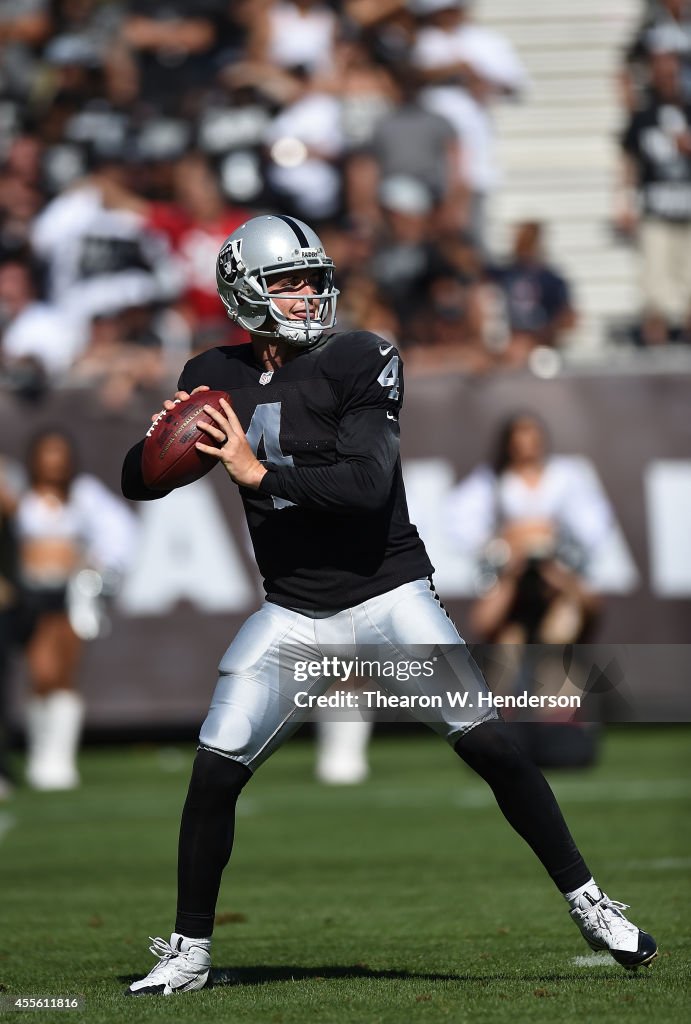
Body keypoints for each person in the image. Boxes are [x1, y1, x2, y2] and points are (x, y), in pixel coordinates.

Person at [121, 214, 656, 996]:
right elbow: (136, 482)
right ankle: (190, 953)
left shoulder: (361, 356)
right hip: (294, 612)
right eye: (289, 282)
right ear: (244, 290)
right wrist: (155, 449)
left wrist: (257, 473)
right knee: (214, 772)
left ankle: (590, 903)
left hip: (385, 593)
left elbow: (366, 486)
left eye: (313, 278)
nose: (309, 294)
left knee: (491, 748)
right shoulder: (213, 372)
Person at [16, 428, 138, 790]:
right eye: (46, 453)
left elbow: (121, 530)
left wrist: (96, 568)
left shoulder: (83, 495)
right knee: (42, 673)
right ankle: (40, 753)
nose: (54, 460)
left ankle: (60, 761)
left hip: (70, 593)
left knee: (66, 673)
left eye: (60, 453)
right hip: (31, 594)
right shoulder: (20, 496)